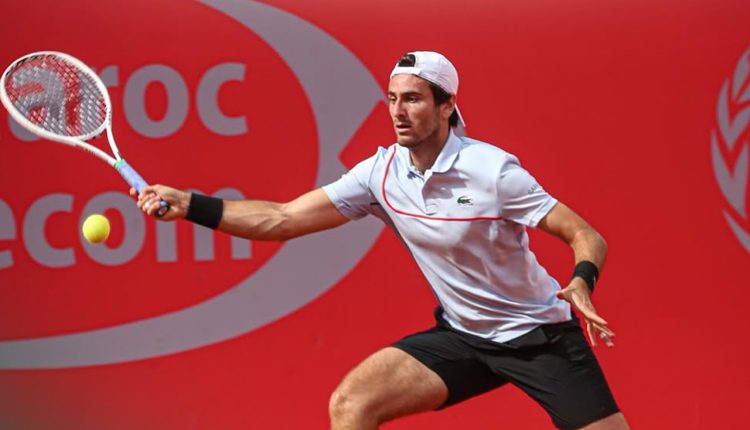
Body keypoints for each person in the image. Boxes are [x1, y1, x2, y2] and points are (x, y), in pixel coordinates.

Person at [133, 51, 629, 430]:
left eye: (412, 99)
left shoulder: (493, 172)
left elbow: (585, 234)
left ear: (447, 106)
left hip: (537, 336)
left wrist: (581, 282)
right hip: (462, 337)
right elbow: (281, 218)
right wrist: (190, 205)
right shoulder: (380, 174)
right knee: (352, 404)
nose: (398, 111)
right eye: (392, 99)